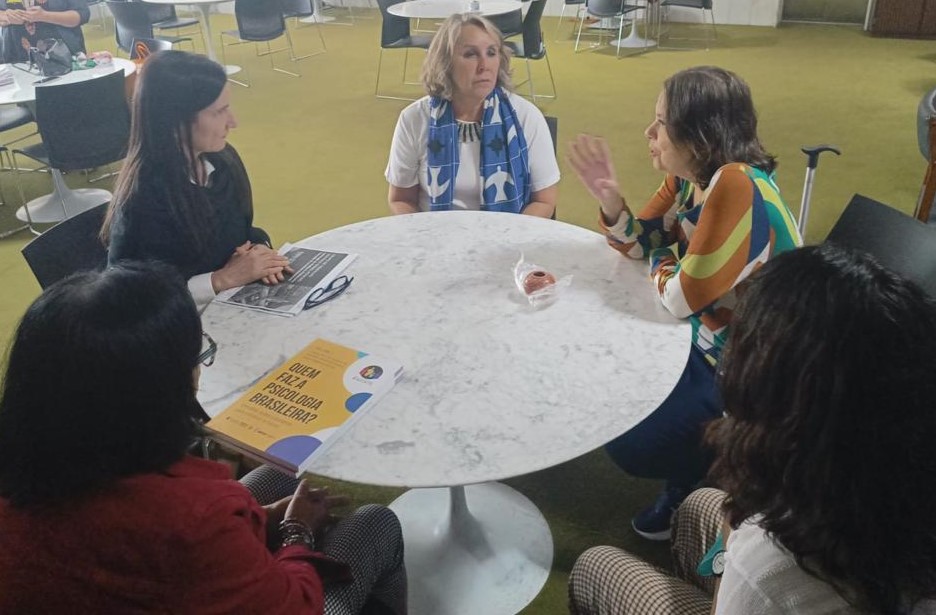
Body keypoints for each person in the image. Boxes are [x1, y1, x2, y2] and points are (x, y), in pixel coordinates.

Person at [0, 261, 407, 614]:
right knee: (375, 522)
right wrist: (295, 532)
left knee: (275, 473)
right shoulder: (189, 521)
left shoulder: (47, 461)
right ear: (156, 392)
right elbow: (294, 607)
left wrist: (260, 519)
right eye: (196, 357)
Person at [568, 243, 936, 614]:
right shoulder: (890, 468)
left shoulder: (771, 562)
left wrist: (736, 550)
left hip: (769, 587)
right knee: (698, 505)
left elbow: (756, 576)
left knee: (596, 567)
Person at [567, 66, 801, 540]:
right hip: (709, 336)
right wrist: (613, 203)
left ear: (699, 135)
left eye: (661, 123)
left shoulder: (737, 184)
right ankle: (700, 470)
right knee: (602, 375)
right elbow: (638, 245)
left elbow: (678, 297)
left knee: (631, 443)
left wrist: (661, 256)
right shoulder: (688, 178)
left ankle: (716, 474)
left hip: (755, 366)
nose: (649, 133)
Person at [101, 50, 291, 312]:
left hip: (228, 306)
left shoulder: (223, 160)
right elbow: (132, 300)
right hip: (173, 328)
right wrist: (221, 279)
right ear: (176, 121)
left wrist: (258, 254)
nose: (233, 122)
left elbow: (241, 231)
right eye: (219, 112)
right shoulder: (142, 199)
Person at [385, 14, 560, 218]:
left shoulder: (526, 117)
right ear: (445, 62)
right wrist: (428, 237)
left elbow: (544, 201)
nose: (484, 65)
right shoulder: (414, 119)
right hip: (436, 239)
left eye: (491, 53)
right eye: (470, 54)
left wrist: (509, 240)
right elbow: (401, 199)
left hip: (510, 241)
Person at [0, 0, 89, 63]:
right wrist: (6, 16)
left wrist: (44, 16)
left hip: (65, 57)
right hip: (17, 59)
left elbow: (82, 15)